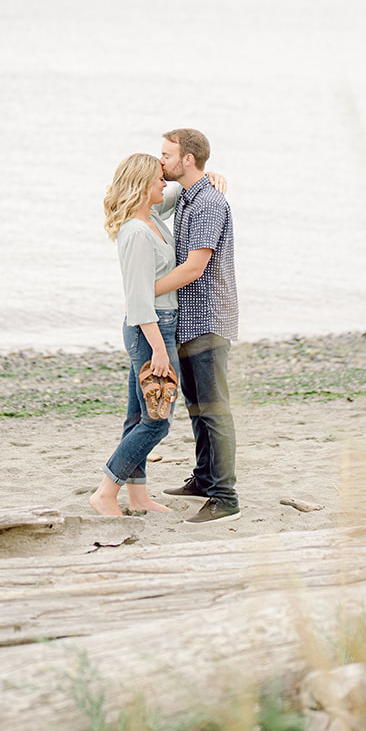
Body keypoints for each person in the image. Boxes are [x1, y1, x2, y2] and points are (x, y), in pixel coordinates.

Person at [153, 127, 240, 524]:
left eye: (167, 155)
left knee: (215, 411)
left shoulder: (206, 204)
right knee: (197, 407)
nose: (161, 162)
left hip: (207, 318)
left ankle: (225, 497)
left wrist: (145, 292)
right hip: (188, 320)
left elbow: (194, 267)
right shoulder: (189, 196)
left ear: (188, 158)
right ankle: (205, 479)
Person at [88, 153, 180, 517]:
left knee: (136, 418)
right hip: (152, 329)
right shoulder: (138, 232)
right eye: (159, 178)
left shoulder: (152, 217)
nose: (165, 183)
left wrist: (208, 176)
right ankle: (105, 493)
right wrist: (158, 348)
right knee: (157, 421)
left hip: (155, 326)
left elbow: (180, 190)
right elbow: (140, 298)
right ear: (144, 186)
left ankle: (138, 497)